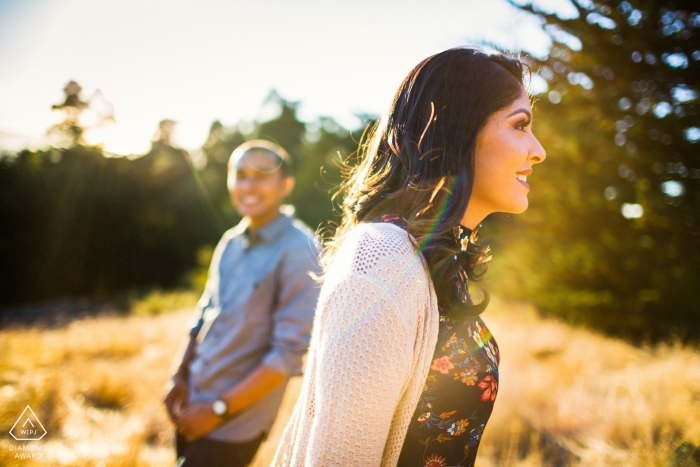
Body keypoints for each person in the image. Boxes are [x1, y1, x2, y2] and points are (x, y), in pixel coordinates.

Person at [271, 47, 546, 467]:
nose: (538, 150)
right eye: (520, 125)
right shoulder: (382, 256)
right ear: (459, 128)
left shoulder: (436, 259)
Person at [164, 140, 321, 467]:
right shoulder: (230, 241)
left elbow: (287, 356)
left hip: (232, 426)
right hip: (190, 404)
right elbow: (203, 314)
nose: (248, 185)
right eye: (241, 174)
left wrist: (216, 411)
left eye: (262, 175)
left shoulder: (301, 250)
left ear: (286, 185)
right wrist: (177, 376)